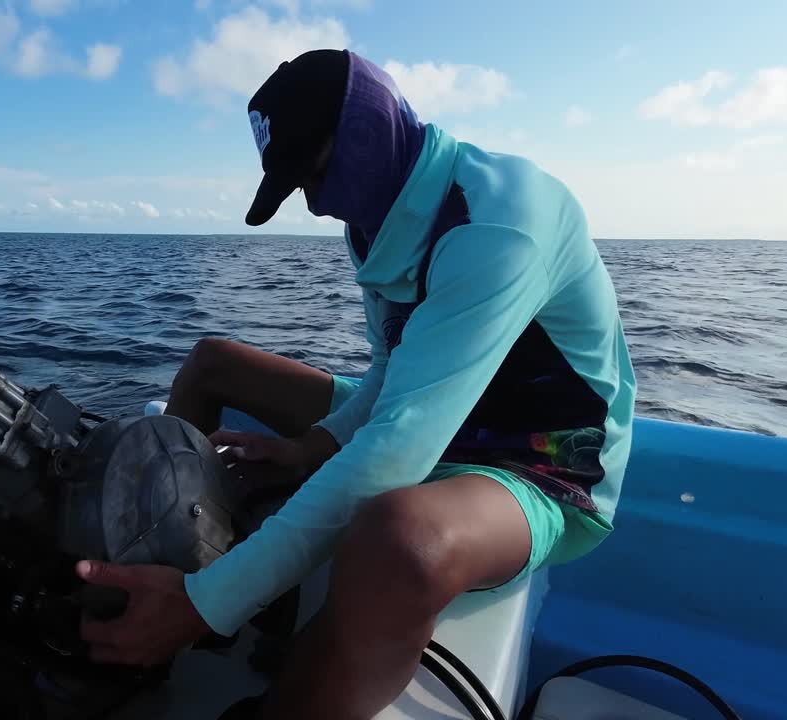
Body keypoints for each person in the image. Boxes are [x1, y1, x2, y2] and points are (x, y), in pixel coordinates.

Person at [75, 48, 637, 719]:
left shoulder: (498, 221)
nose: (314, 206)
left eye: (313, 175)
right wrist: (316, 444)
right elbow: (392, 374)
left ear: (367, 134)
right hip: (427, 411)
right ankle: (154, 580)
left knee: (398, 537)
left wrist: (210, 607)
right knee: (212, 361)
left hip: (536, 466)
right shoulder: (370, 222)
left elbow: (398, 453)